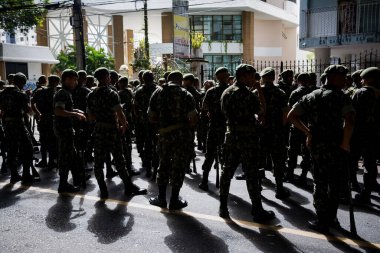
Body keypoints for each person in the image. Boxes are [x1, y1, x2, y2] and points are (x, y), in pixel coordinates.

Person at [288, 65, 355, 233]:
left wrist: (308, 132)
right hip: (337, 145)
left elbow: (292, 116)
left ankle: (322, 219)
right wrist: (345, 143)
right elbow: (350, 121)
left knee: (320, 182)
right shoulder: (342, 97)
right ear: (331, 77)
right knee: (334, 182)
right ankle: (331, 217)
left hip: (317, 145)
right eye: (342, 77)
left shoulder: (311, 96)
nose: (345, 80)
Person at [219, 64, 275, 222]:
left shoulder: (226, 92)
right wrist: (259, 90)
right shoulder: (248, 95)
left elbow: (224, 112)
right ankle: (257, 209)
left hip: (231, 135)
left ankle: (223, 207)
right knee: (251, 173)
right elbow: (262, 110)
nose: (254, 79)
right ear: (243, 76)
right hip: (247, 137)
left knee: (227, 171)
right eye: (251, 76)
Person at [87, 67, 147, 199]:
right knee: (119, 159)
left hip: (98, 130)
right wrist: (124, 125)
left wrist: (100, 117)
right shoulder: (111, 93)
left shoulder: (91, 95)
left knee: (98, 161)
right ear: (106, 77)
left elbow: (90, 117)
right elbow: (119, 113)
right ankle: (128, 187)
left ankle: (103, 189)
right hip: (111, 130)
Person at [148, 70, 198, 210]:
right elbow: (193, 119)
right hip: (182, 137)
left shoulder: (157, 93)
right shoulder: (186, 94)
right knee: (178, 166)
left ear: (168, 79)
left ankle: (162, 199)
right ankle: (174, 200)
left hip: (164, 136)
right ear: (181, 80)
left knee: (163, 165)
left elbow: (151, 117)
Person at [258, 67, 290, 199]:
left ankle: (258, 185)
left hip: (261, 132)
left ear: (263, 78)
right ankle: (279, 188)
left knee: (259, 159)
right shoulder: (280, 93)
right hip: (277, 131)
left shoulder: (257, 92)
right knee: (278, 160)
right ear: (273, 77)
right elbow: (285, 114)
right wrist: (282, 128)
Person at [0, 73, 37, 184]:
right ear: (22, 82)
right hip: (18, 123)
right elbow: (28, 111)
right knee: (28, 149)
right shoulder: (20, 94)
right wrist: (28, 99)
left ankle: (14, 175)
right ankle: (26, 175)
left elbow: (1, 108)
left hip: (6, 124)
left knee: (12, 149)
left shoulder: (2, 93)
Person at [54, 69, 87, 193]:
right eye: (74, 79)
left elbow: (65, 109)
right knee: (65, 158)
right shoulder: (63, 93)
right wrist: (75, 114)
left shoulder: (65, 93)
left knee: (72, 156)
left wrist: (76, 111)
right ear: (66, 80)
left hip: (66, 129)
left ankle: (77, 177)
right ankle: (63, 185)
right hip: (64, 130)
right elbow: (58, 111)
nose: (76, 82)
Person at [199, 67, 229, 191]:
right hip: (227, 127)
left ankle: (204, 180)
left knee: (210, 154)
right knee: (226, 156)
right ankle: (224, 183)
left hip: (214, 126)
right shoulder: (230, 91)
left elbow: (204, 109)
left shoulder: (211, 91)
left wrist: (210, 114)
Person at [352, 67, 380, 203]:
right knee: (371, 162)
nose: (361, 81)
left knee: (356, 161)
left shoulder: (362, 93)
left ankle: (365, 194)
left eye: (363, 78)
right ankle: (372, 185)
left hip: (362, 132)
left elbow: (353, 115)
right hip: (376, 133)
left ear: (370, 79)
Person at [286, 73, 312, 184]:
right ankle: (303, 176)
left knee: (293, 151)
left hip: (296, 126)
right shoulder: (313, 93)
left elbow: (290, 110)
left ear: (297, 80)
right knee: (307, 153)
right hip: (309, 126)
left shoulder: (295, 93)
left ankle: (290, 174)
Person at [133, 70, 159, 177]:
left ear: (143, 79)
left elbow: (135, 107)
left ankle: (148, 168)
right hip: (157, 122)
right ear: (153, 78)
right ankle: (156, 167)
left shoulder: (139, 91)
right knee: (157, 145)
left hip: (144, 122)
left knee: (147, 144)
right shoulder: (158, 90)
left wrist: (139, 117)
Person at [31, 75, 60, 170]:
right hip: (52, 119)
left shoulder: (40, 91)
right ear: (56, 82)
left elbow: (32, 102)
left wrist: (38, 113)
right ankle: (51, 161)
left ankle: (44, 161)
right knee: (52, 141)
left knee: (43, 141)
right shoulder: (57, 93)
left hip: (43, 118)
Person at [118, 76, 140, 177]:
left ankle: (127, 165)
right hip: (126, 122)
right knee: (127, 145)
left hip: (123, 122)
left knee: (125, 144)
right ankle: (128, 165)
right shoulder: (129, 92)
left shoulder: (121, 93)